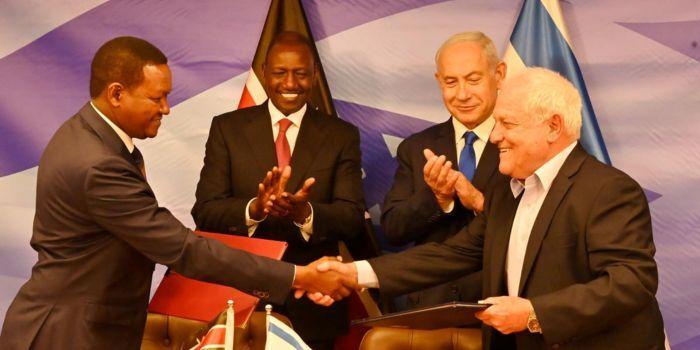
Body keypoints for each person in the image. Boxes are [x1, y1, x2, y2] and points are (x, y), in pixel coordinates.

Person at [0, 36, 351, 350]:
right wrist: (298, 275)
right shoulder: (98, 164)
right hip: (69, 334)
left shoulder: (88, 136)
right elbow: (181, 249)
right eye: (157, 97)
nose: (166, 108)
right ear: (117, 94)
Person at [317, 68, 666, 349]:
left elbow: (630, 282)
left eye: (507, 123)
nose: (495, 136)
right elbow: (452, 254)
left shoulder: (609, 190)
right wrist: (353, 274)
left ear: (553, 127)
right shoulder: (506, 189)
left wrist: (534, 313)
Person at [191, 31, 365, 349]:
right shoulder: (226, 128)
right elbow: (205, 212)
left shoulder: (342, 135)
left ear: (314, 75)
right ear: (264, 73)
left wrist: (305, 213)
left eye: (300, 73)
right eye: (280, 72)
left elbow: (352, 217)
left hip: (314, 307)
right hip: (239, 300)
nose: (290, 83)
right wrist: (254, 210)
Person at [381, 31, 505, 308]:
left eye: (473, 80)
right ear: (439, 82)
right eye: (451, 82)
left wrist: (480, 202)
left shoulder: (521, 142)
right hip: (431, 306)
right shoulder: (417, 147)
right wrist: (436, 199)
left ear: (499, 75)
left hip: (502, 304)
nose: (462, 94)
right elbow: (393, 228)